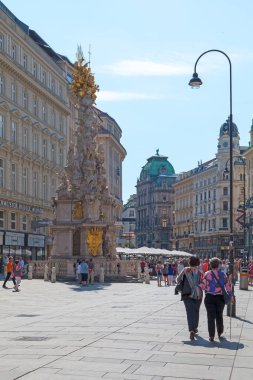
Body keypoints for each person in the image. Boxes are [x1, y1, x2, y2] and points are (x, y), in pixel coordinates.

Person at [201, 257, 234, 342]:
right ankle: (220, 332)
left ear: (210, 265)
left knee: (210, 316)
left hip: (209, 297)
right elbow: (227, 286)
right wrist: (231, 296)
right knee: (219, 315)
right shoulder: (223, 274)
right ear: (219, 265)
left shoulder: (207, 274)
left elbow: (203, 285)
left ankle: (211, 335)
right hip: (220, 297)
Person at [176, 256, 203, 340]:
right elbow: (203, 282)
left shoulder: (185, 270)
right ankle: (195, 328)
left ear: (189, 263)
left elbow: (177, 280)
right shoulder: (200, 271)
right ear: (198, 263)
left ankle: (191, 329)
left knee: (189, 312)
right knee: (196, 311)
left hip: (187, 294)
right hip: (198, 294)